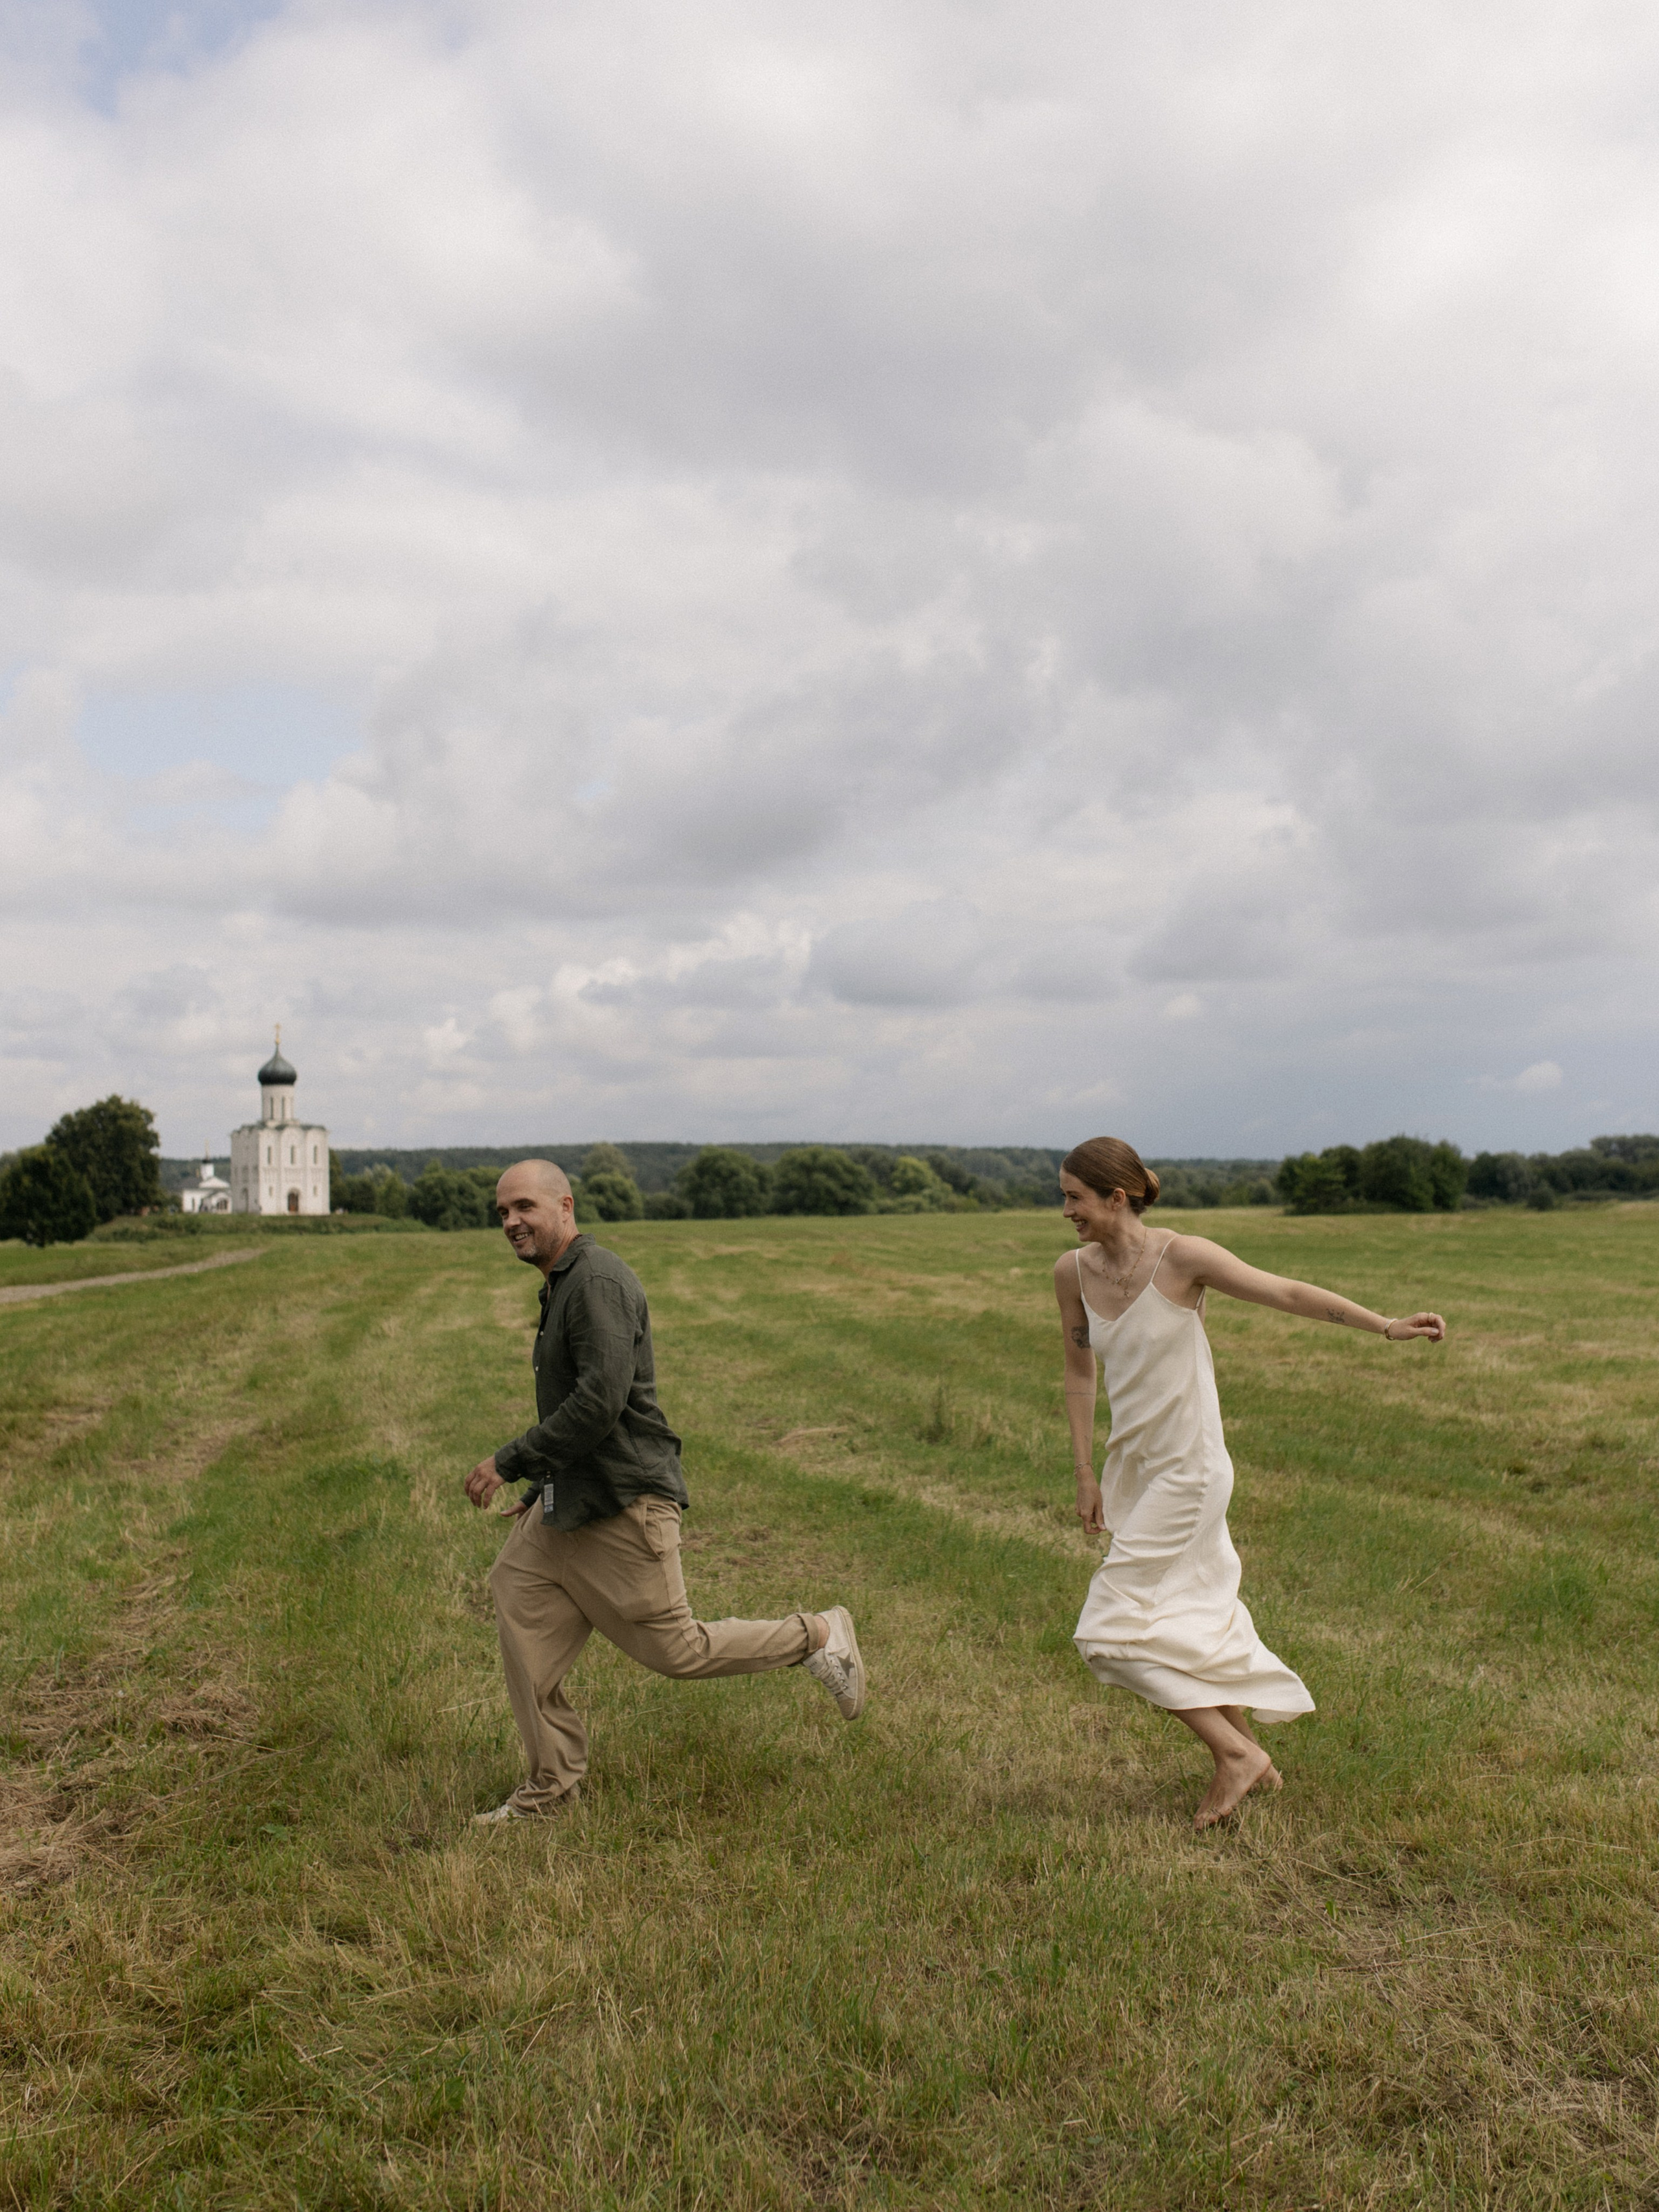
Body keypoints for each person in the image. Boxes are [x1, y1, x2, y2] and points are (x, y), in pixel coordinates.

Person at [1054, 1136, 1445, 1832]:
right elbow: (1080, 1371)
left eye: (1074, 1198)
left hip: (1191, 1469)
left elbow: (1284, 1291)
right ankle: (1247, 1758)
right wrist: (1085, 1470)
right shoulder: (1071, 1272)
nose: (1065, 1211)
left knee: (1106, 1631)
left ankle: (1235, 1751)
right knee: (1185, 1614)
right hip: (1134, 1471)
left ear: (1117, 1196)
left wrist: (1383, 1324)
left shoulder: (1183, 1258)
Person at [465, 1159, 865, 1821]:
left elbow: (599, 1401)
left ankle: (818, 1633)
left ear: (564, 1206)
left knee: (679, 1650)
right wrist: (544, 1482)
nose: (511, 1221)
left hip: (624, 1499)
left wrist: (512, 1460)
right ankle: (551, 1788)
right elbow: (579, 1405)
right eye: (502, 1211)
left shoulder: (594, 1281)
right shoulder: (562, 1282)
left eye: (525, 1207)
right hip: (574, 1499)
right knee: (517, 1590)